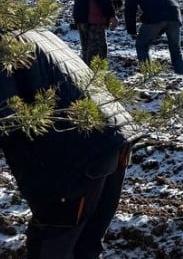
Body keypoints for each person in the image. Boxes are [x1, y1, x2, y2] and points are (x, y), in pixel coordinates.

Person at [0, 28, 141, 258]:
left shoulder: (6, 43)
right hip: (111, 137)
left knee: (51, 245)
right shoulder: (30, 27)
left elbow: (7, 119)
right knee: (84, 246)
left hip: (75, 156)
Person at [124, 0, 183, 74]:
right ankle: (181, 75)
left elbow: (130, 8)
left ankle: (148, 75)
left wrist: (132, 30)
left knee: (141, 45)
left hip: (155, 14)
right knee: (176, 49)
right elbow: (165, 0)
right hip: (175, 13)